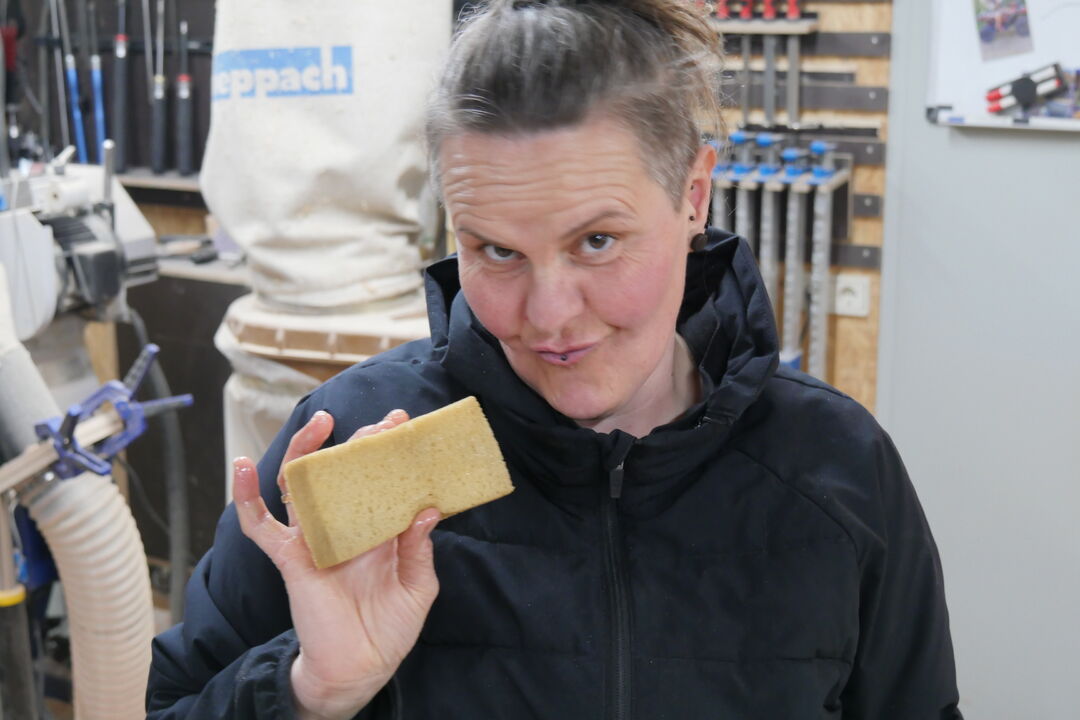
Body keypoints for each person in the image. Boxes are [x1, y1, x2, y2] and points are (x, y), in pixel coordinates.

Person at [146, 1, 963, 718]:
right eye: (497, 250)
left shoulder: (834, 466)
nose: (549, 316)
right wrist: (307, 691)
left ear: (693, 195)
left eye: (597, 241)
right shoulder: (353, 447)